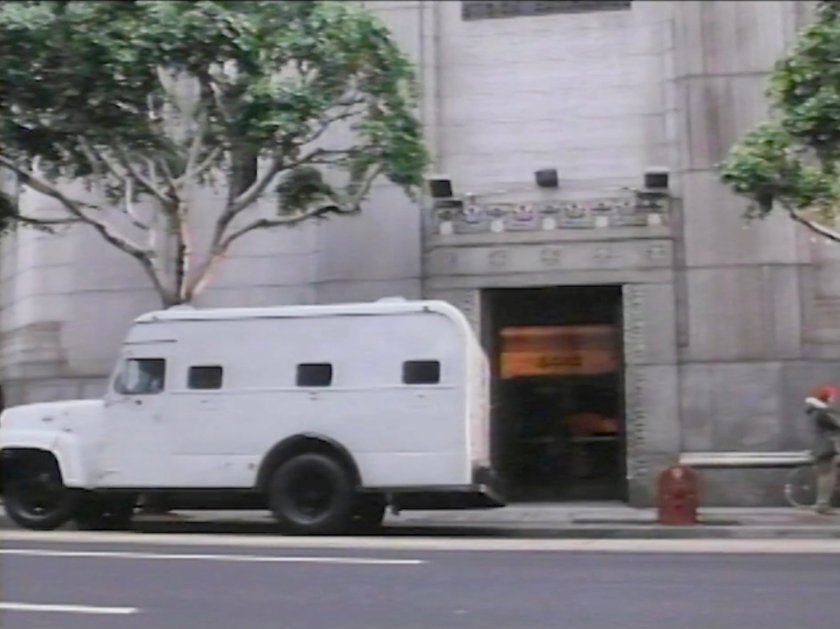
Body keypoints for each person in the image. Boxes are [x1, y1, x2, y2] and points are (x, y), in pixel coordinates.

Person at [805, 385, 840, 514]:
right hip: (826, 448)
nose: (834, 398)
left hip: (821, 447)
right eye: (832, 396)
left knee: (826, 476)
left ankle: (822, 504)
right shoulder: (824, 412)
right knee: (827, 477)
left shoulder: (817, 411)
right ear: (827, 397)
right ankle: (822, 505)